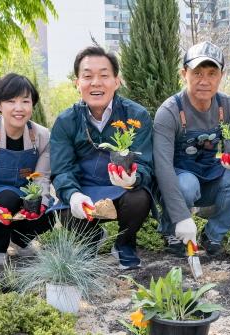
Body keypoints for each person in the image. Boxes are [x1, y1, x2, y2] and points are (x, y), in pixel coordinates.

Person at [49, 45, 153, 270]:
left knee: (140, 198)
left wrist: (133, 178)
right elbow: (61, 170)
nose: (96, 82)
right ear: (77, 83)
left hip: (122, 190)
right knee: (65, 209)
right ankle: (92, 236)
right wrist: (74, 195)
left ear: (117, 81)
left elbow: (145, 163)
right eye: (87, 76)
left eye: (104, 75)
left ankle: (125, 243)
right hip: (84, 190)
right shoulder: (66, 121)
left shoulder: (136, 115)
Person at [154, 41, 230, 257]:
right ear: (183, 74)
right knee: (187, 184)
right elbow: (162, 168)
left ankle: (213, 235)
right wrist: (182, 217)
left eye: (211, 73)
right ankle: (172, 231)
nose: (204, 81)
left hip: (208, 172)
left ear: (221, 76)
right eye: (197, 73)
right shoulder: (169, 112)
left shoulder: (228, 106)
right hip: (178, 178)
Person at [0, 73, 53, 266]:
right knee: (7, 198)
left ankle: (20, 240)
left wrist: (42, 203)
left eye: (25, 101)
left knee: (48, 214)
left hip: (25, 195)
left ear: (32, 104)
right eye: (11, 101)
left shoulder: (42, 135)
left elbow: (42, 178)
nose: (19, 108)